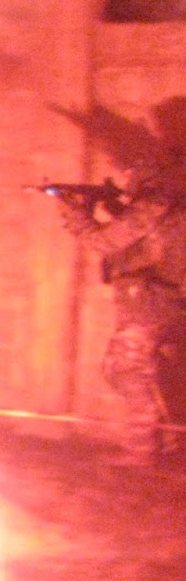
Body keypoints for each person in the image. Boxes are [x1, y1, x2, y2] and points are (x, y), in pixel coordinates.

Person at [54, 96, 186, 468]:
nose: (126, 175)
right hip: (163, 299)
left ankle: (143, 451)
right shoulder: (167, 199)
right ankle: (168, 442)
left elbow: (104, 243)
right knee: (143, 372)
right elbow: (143, 239)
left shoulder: (156, 202)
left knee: (127, 371)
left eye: (131, 169)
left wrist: (74, 215)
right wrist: (109, 207)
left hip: (149, 302)